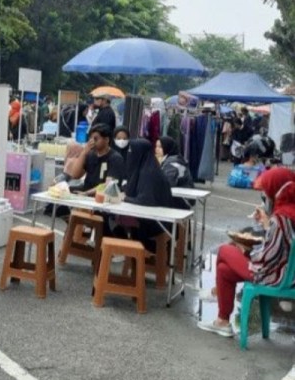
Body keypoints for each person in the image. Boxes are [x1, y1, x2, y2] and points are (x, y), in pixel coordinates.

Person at [197, 168, 295, 339]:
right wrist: (266, 224)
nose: (265, 194)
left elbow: (268, 257)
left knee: (225, 250)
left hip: (274, 275)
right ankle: (222, 322)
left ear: (276, 189)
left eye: (266, 190)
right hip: (284, 270)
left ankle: (217, 295)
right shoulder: (288, 211)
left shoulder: (281, 217)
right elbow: (280, 245)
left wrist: (247, 252)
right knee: (224, 269)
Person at [113, 139, 176, 252]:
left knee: (112, 219)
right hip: (145, 218)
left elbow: (145, 201)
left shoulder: (149, 173)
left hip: (155, 223)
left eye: (132, 151)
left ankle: (120, 251)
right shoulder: (141, 169)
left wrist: (124, 198)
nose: (130, 154)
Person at [65, 123, 125, 194]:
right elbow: (75, 175)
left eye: (95, 139)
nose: (92, 141)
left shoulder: (115, 158)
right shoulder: (90, 155)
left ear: (106, 140)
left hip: (104, 197)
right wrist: (84, 152)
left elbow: (108, 185)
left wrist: (87, 193)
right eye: (91, 138)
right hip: (86, 192)